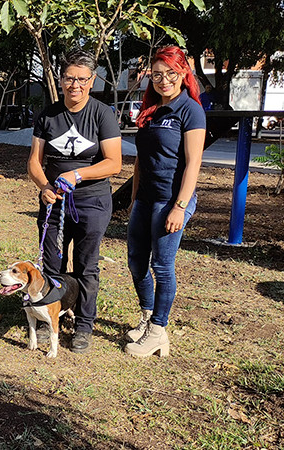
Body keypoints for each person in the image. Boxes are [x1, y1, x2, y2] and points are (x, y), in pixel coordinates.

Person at [27, 49, 122, 354]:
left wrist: (79, 174)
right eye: (69, 78)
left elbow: (114, 163)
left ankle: (83, 325)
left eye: (82, 79)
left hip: (92, 203)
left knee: (86, 265)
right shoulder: (48, 115)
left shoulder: (102, 114)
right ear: (61, 78)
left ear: (92, 80)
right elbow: (34, 161)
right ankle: (50, 320)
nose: (75, 85)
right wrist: (44, 186)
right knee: (53, 264)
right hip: (54, 203)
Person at [124, 46, 206, 358]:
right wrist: (132, 199)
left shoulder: (191, 110)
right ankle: (147, 317)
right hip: (145, 199)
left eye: (170, 73)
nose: (163, 80)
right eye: (157, 74)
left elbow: (194, 163)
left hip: (170, 200)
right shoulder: (151, 110)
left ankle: (158, 331)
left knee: (161, 264)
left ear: (183, 73)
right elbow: (140, 163)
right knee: (135, 261)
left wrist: (180, 207)